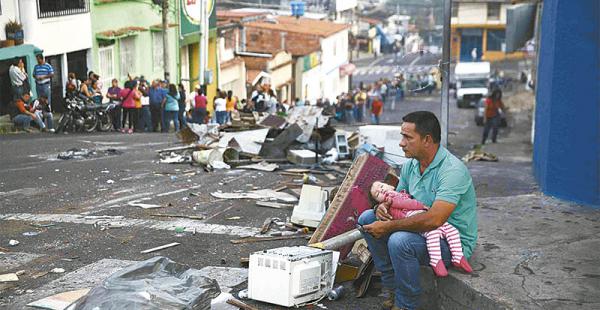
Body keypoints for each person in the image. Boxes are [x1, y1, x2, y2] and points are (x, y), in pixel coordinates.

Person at [358, 111, 477, 310]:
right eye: (402, 136)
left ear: (427, 140)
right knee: (366, 218)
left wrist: (388, 227)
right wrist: (381, 208)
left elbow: (435, 219)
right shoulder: (410, 166)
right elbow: (397, 199)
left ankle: (406, 304)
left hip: (448, 240)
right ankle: (393, 287)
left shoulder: (452, 170)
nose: (401, 143)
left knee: (400, 241)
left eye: (407, 137)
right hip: (421, 230)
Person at [369, 182, 472, 277]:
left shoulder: (399, 193)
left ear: (391, 186)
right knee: (432, 233)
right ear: (379, 201)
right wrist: (422, 206)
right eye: (378, 194)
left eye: (381, 186)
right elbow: (406, 204)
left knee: (452, 230)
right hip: (412, 217)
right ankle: (436, 260)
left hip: (423, 215)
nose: (381, 190)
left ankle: (458, 256)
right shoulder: (391, 198)